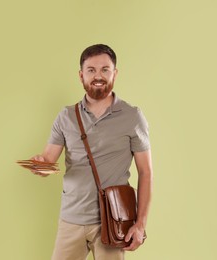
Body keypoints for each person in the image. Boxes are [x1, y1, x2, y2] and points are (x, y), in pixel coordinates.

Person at [30, 44, 153, 260]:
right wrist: (40, 165)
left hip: (113, 221)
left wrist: (140, 224)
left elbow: (146, 173)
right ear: (81, 75)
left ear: (115, 73)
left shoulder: (132, 116)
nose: (98, 76)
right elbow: (48, 159)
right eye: (91, 70)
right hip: (70, 219)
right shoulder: (66, 116)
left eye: (105, 69)